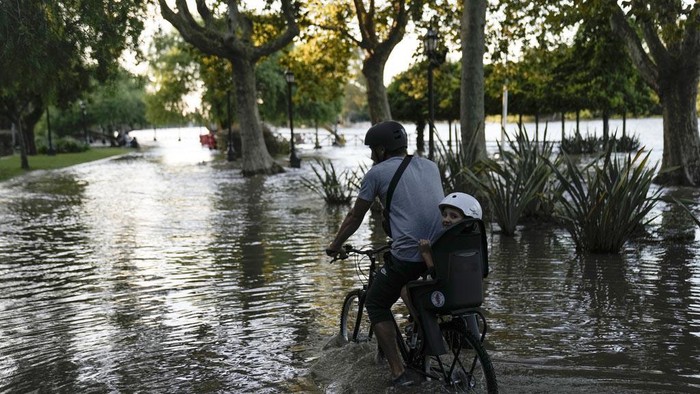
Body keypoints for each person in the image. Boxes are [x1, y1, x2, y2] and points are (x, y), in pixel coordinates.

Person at [326, 120, 444, 387]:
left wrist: (334, 245)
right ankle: (423, 336)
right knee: (408, 289)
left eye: (372, 150)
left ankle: (398, 373)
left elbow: (355, 216)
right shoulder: (430, 166)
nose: (370, 156)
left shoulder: (376, 174)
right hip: (437, 253)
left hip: (410, 256)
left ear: (381, 149)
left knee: (377, 303)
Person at [401, 192, 483, 355]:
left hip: (447, 292)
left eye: (453, 216)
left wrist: (426, 253)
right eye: (445, 214)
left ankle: (425, 328)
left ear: (466, 220)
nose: (446, 219)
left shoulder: (448, 242)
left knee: (405, 290)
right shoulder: (474, 240)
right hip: (470, 293)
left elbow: (437, 274)